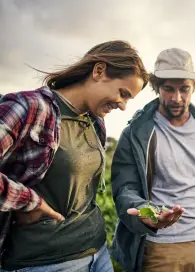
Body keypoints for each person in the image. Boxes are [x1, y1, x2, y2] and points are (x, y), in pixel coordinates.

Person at [0, 40, 149, 271]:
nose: (123, 106)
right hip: (44, 263)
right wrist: (28, 201)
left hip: (98, 253)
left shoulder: (95, 121)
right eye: (123, 93)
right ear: (99, 71)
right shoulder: (29, 107)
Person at [110, 48, 195, 272]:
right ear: (156, 86)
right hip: (162, 249)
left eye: (184, 89)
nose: (176, 98)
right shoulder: (136, 133)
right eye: (168, 89)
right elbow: (125, 189)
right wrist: (146, 212)